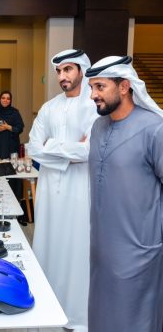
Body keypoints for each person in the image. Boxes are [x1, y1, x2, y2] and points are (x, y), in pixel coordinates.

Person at [86, 56, 163, 332]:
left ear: (124, 87)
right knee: (102, 314)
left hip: (140, 250)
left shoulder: (155, 128)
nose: (93, 95)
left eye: (100, 87)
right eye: (92, 87)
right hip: (102, 247)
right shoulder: (97, 127)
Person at [27, 49, 97, 332]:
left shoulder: (93, 105)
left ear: (81, 70)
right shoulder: (48, 107)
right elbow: (33, 148)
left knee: (77, 247)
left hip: (79, 190)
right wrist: (69, 149)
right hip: (48, 192)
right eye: (58, 71)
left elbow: (89, 150)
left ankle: (76, 315)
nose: (62, 76)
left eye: (68, 69)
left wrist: (51, 147)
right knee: (48, 244)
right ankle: (47, 308)